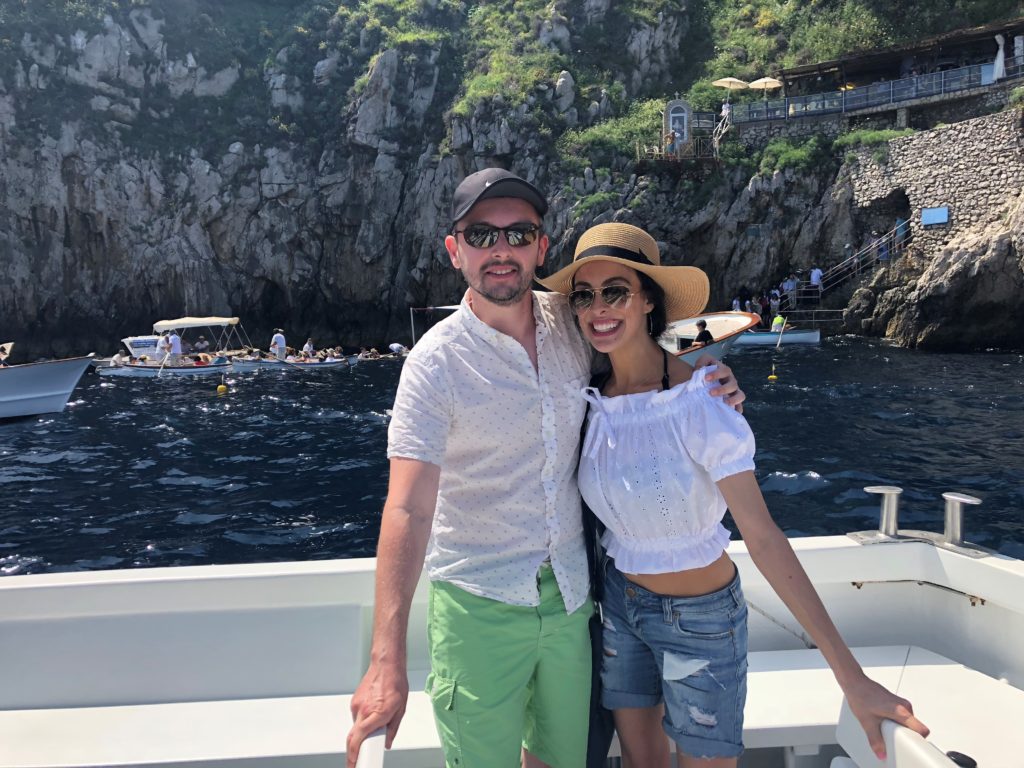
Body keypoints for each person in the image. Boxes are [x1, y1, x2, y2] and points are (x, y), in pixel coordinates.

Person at [345, 168, 745, 768]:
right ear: (455, 251)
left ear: (541, 246)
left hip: (571, 602)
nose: (500, 249)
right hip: (478, 602)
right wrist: (386, 659)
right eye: (481, 235)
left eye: (518, 233)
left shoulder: (571, 322)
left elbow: (640, 333)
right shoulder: (433, 365)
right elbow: (407, 506)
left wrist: (711, 376)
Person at [541, 222, 928, 765]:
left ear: (648, 300)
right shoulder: (590, 398)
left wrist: (851, 676)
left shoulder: (702, 400)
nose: (597, 307)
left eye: (615, 292)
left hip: (700, 618)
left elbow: (764, 537)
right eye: (584, 295)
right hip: (620, 607)